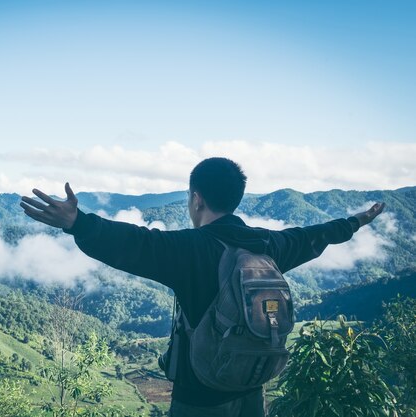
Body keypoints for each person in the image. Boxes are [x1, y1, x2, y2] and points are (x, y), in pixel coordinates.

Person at [20, 157, 385, 417]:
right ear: (236, 197)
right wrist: (356, 221)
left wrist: (77, 223)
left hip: (201, 394)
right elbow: (313, 236)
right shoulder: (269, 245)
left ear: (197, 198)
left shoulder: (191, 249)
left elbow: (132, 243)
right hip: (252, 387)